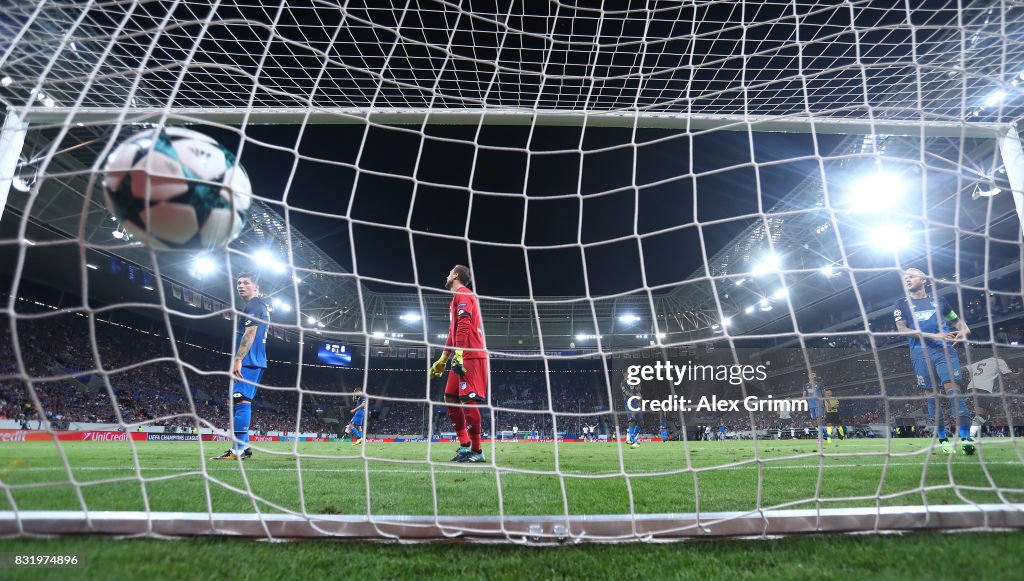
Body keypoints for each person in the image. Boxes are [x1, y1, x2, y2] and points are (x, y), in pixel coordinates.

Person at [893, 267, 974, 455]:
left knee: (954, 392)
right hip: (920, 353)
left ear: (923, 280)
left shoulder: (939, 301)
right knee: (933, 396)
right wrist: (932, 335)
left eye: (911, 276)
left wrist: (963, 330)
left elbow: (958, 322)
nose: (907, 280)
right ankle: (943, 440)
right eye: (904, 278)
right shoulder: (901, 303)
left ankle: (965, 439)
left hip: (944, 351)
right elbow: (902, 329)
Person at [430, 265, 488, 463]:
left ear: (455, 276)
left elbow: (464, 323)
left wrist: (460, 353)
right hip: (460, 354)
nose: (446, 275)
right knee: (450, 397)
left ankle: (478, 451)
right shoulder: (455, 299)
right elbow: (452, 333)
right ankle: (464, 446)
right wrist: (443, 359)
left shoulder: (464, 293)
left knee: (468, 401)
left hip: (471, 355)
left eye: (449, 273)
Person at [213, 273, 268, 460]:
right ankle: (243, 448)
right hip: (255, 360)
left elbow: (250, 333)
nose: (241, 286)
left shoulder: (254, 305)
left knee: (240, 401)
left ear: (256, 286)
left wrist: (238, 359)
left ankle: (237, 450)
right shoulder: (257, 306)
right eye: (239, 283)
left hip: (249, 361)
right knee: (240, 402)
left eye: (246, 283)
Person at [965, 356, 1011, 439]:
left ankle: (979, 422)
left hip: (971, 387)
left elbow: (965, 369)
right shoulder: (1000, 360)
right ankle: (969, 437)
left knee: (989, 412)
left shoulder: (982, 361)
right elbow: (1010, 376)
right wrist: (1021, 372)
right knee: (981, 414)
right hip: (984, 388)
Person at [621, 369, 642, 448]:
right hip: (629, 402)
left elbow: (638, 390)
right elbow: (626, 393)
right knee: (632, 420)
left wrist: (638, 383)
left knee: (641, 422)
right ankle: (634, 441)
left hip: (635, 403)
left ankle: (630, 438)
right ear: (625, 374)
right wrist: (636, 398)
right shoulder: (623, 383)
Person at [803, 372, 826, 443]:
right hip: (811, 404)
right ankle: (823, 432)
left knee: (819, 419)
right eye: (812, 374)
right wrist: (803, 402)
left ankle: (820, 436)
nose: (814, 376)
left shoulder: (820, 384)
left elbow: (824, 394)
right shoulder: (805, 385)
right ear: (809, 376)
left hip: (818, 404)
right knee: (814, 421)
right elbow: (804, 395)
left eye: (815, 374)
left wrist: (826, 403)